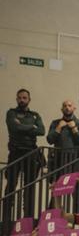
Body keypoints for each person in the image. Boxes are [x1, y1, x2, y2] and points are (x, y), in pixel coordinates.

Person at [4, 88, 46, 219]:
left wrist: (22, 126)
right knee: (10, 187)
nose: (22, 100)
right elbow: (14, 127)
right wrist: (31, 127)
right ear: (17, 99)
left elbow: (41, 131)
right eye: (20, 98)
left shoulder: (35, 115)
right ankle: (6, 221)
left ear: (29, 100)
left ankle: (27, 221)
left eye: (24, 98)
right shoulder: (11, 113)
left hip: (30, 155)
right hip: (15, 153)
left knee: (29, 188)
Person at [46, 100, 79, 211]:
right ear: (61, 109)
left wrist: (74, 129)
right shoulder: (55, 123)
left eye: (69, 106)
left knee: (77, 191)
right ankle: (52, 218)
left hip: (76, 160)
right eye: (64, 106)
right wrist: (58, 128)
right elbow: (49, 140)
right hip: (59, 160)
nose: (67, 108)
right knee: (56, 189)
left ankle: (78, 218)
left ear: (74, 108)